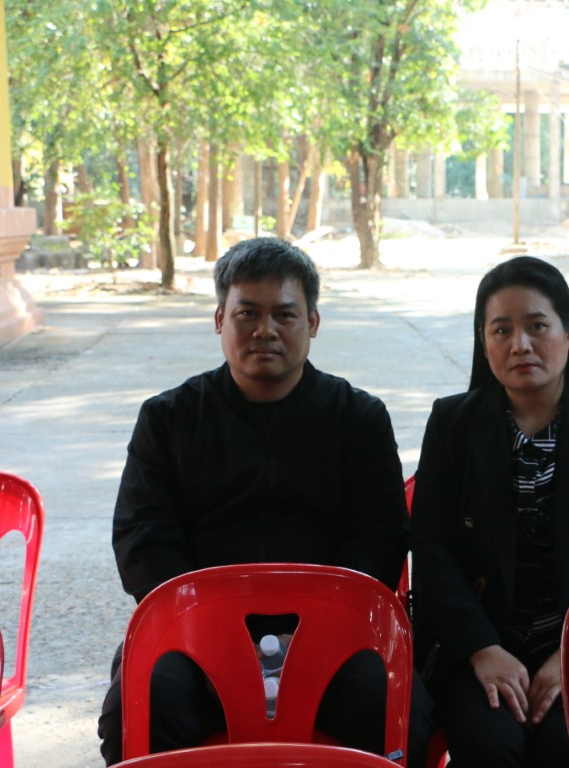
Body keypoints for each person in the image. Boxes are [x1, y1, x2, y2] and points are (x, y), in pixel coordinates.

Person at [98, 238, 432, 765]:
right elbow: (143, 542)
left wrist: (315, 631)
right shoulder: (169, 419)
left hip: (331, 638)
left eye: (284, 314)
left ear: (313, 322)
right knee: (137, 710)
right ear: (219, 320)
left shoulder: (358, 418)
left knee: (400, 712)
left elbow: (380, 540)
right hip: (196, 638)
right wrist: (214, 630)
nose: (265, 330)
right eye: (247, 314)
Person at [410, 256, 569, 768]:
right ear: (484, 342)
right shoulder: (453, 423)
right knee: (489, 743)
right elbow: (432, 550)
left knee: (562, 745)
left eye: (537, 326)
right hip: (477, 642)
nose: (519, 344)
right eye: (501, 330)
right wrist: (482, 649)